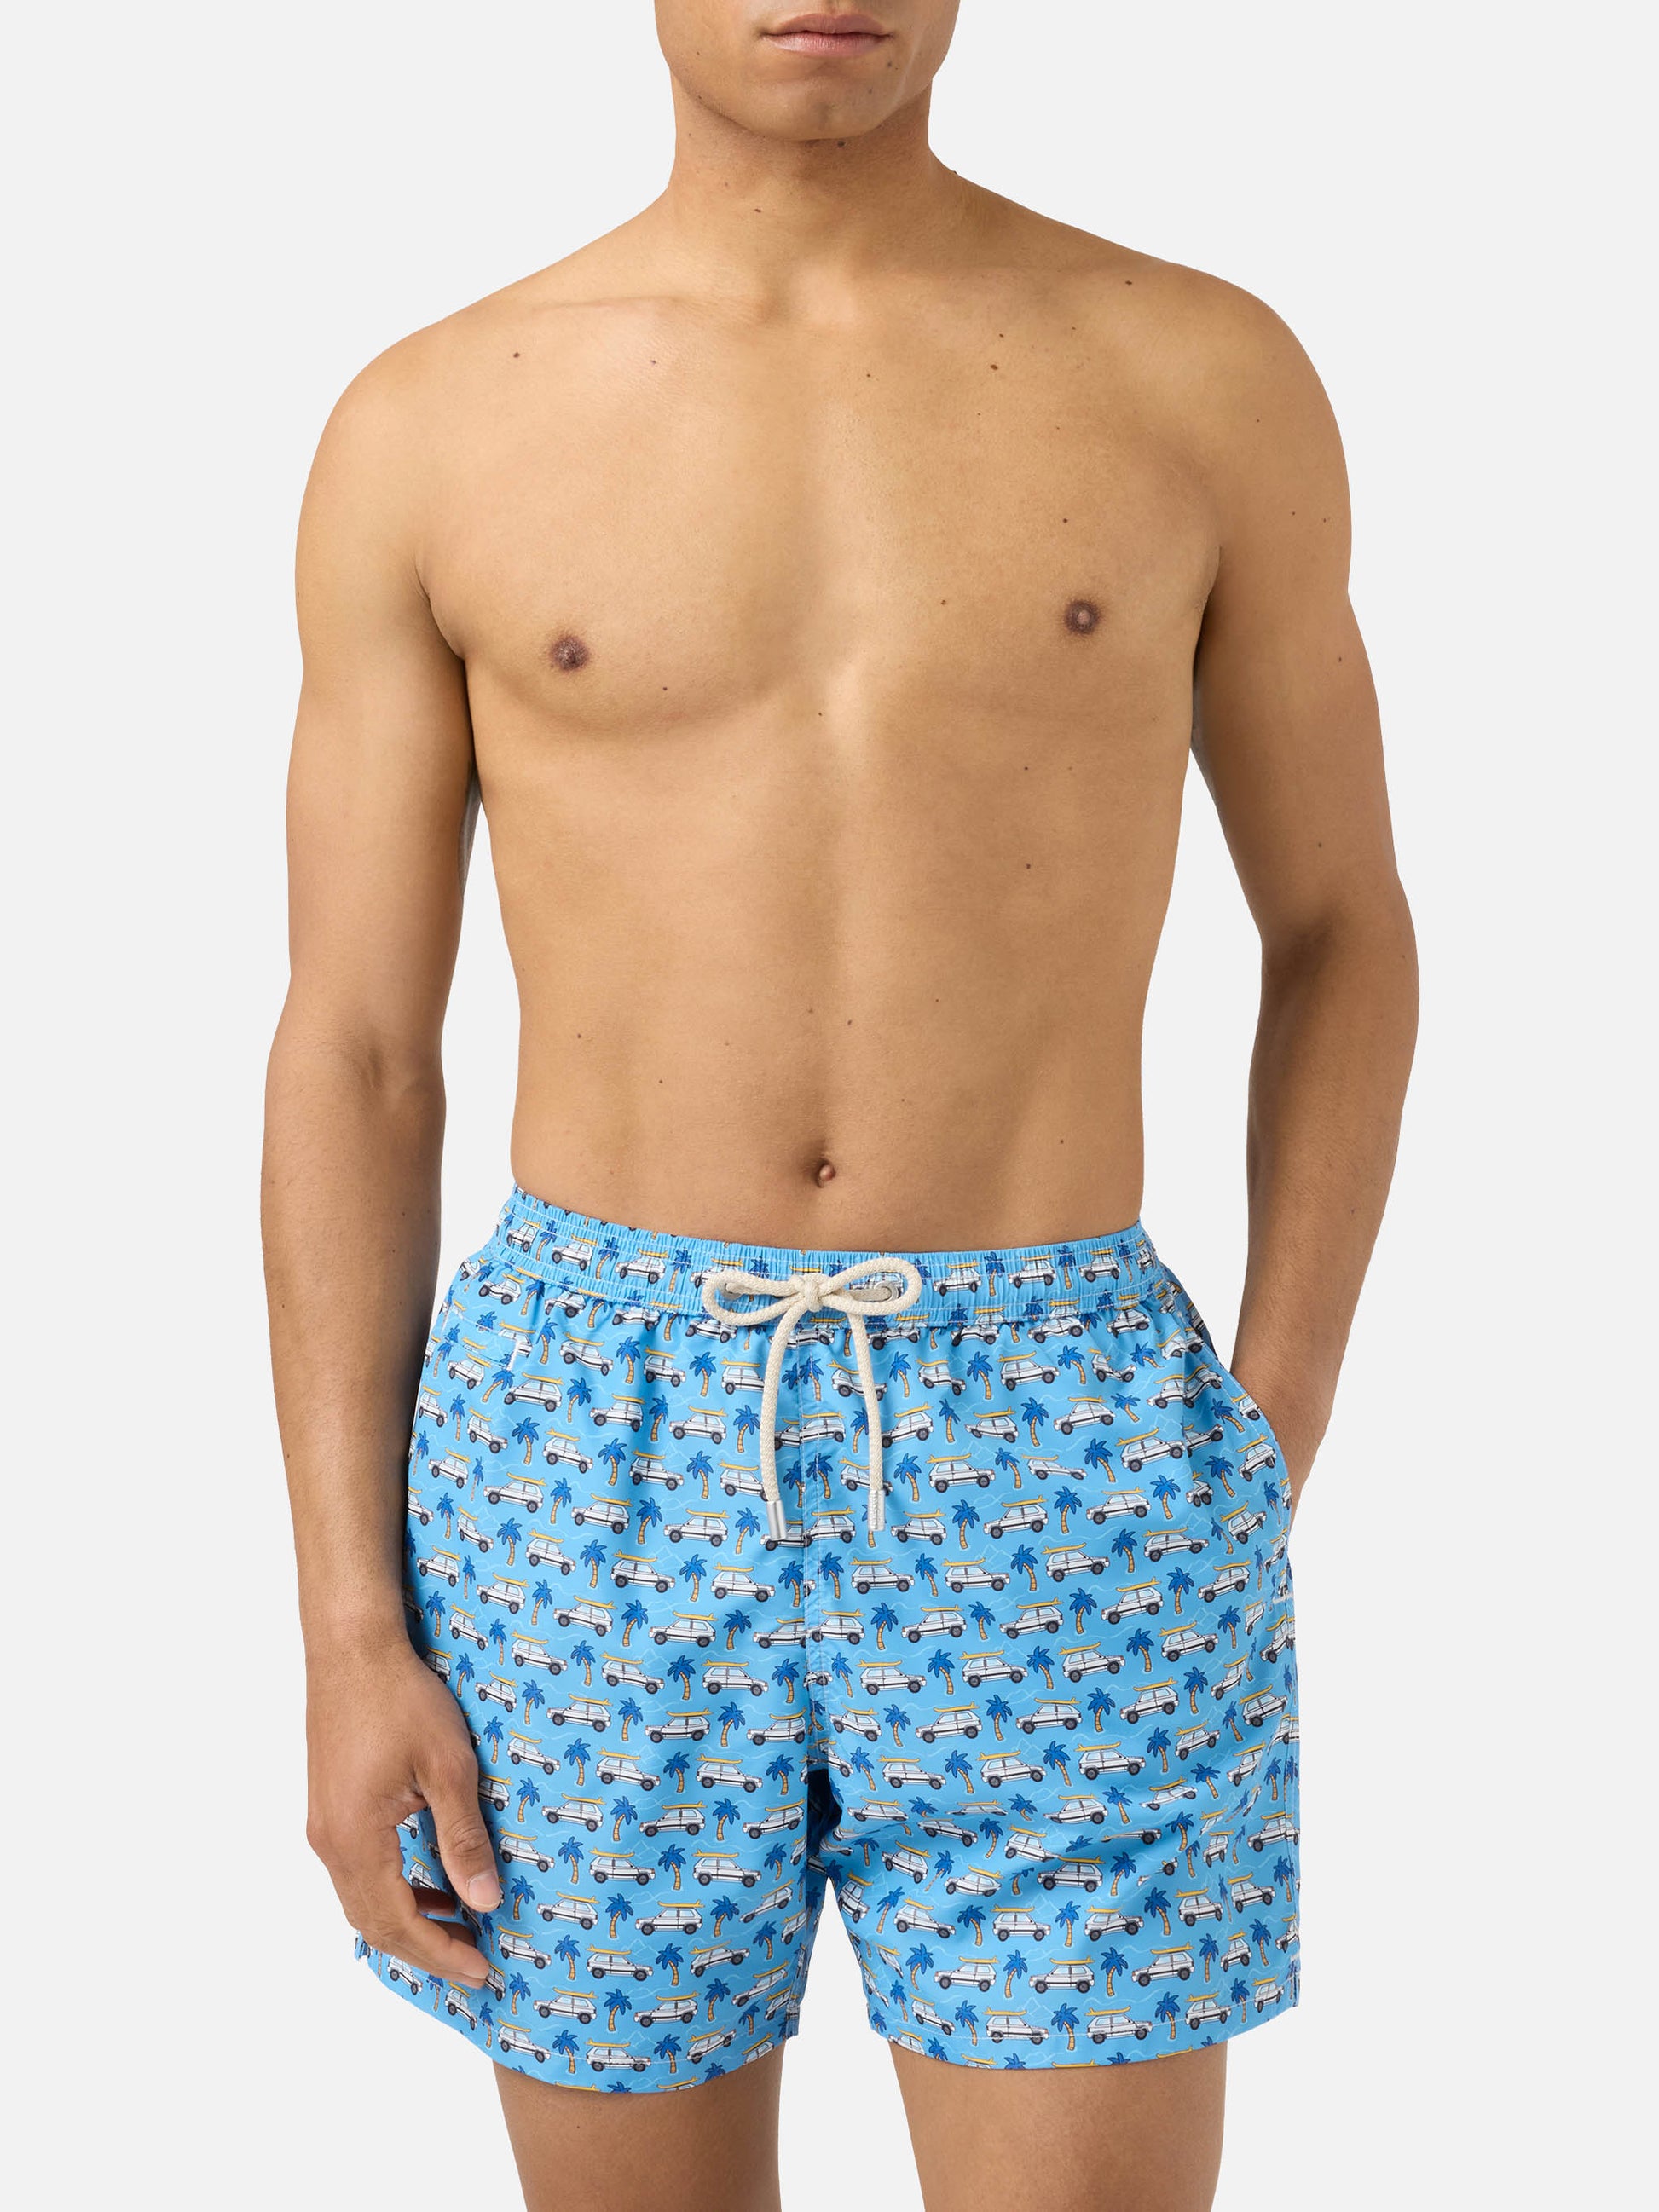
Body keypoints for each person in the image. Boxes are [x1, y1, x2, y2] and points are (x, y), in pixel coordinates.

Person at [262, 5, 1417, 2206]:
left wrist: (1253, 1438)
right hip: (589, 1449)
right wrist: (345, 1625)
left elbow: (1343, 925)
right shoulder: (434, 422)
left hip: (1065, 1430)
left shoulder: (1199, 378)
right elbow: (357, 1047)